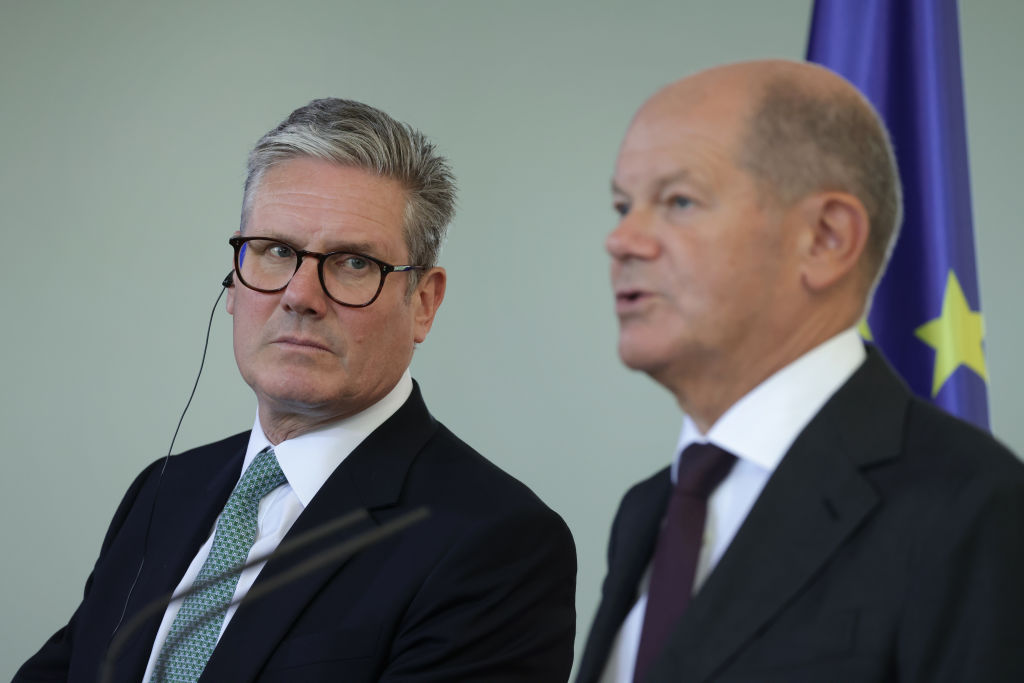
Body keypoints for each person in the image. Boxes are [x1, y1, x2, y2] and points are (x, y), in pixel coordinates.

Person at [16, 98, 576, 683]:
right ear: (234, 279)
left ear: (424, 303)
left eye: (353, 263)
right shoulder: (163, 491)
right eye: (277, 251)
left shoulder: (497, 542)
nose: (300, 295)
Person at [576, 60, 1024, 683]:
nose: (622, 239)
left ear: (826, 238)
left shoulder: (972, 507)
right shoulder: (649, 508)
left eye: (678, 201)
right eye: (623, 205)